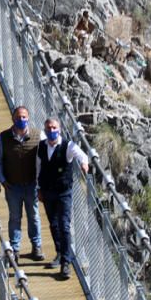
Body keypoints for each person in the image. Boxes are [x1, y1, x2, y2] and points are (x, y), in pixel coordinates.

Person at [36, 117, 89, 280]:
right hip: (47, 191)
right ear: (45, 130)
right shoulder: (41, 147)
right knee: (53, 224)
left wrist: (84, 164)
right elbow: (38, 168)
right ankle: (59, 253)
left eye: (54, 128)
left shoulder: (68, 146)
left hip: (63, 192)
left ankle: (66, 262)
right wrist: (38, 188)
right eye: (49, 128)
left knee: (64, 225)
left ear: (59, 129)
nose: (52, 131)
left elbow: (83, 156)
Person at [0, 106, 44, 264]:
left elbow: (45, 159)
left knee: (34, 216)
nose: (21, 120)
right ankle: (15, 249)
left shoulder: (38, 136)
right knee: (14, 217)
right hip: (13, 186)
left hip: (32, 185)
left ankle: (37, 247)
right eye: (18, 117)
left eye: (24, 117)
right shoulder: (3, 137)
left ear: (28, 118)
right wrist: (3, 180)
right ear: (13, 118)